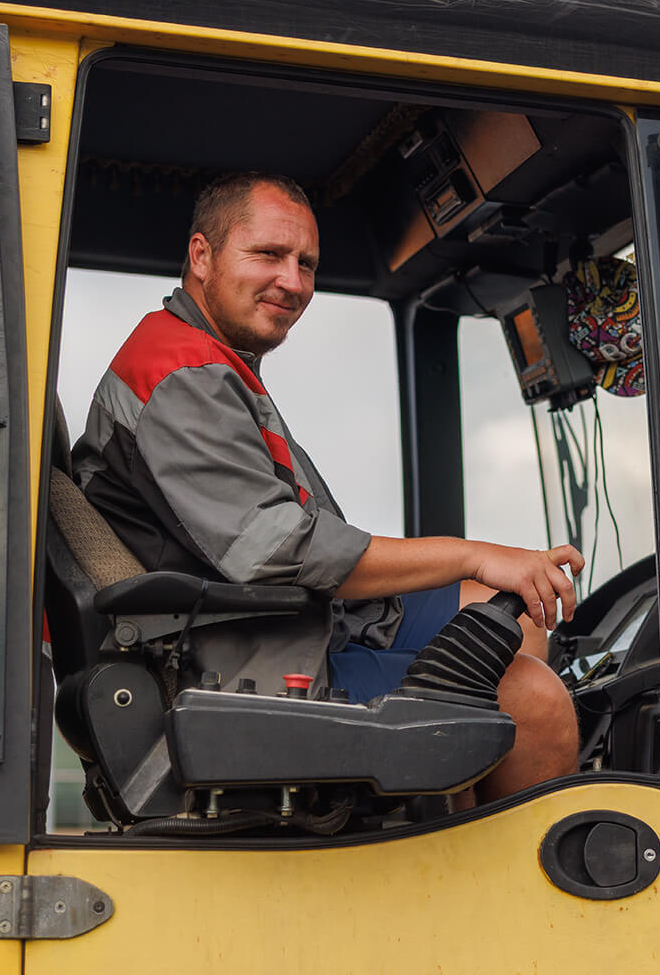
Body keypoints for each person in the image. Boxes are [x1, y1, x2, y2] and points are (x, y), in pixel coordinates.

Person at [73, 172, 581, 801]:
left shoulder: (209, 362)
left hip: (280, 619)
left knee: (515, 616)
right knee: (534, 701)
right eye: (268, 254)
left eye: (306, 263)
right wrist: (473, 553)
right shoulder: (181, 375)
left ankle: (444, 813)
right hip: (239, 658)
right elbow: (279, 550)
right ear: (201, 256)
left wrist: (486, 569)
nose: (292, 281)